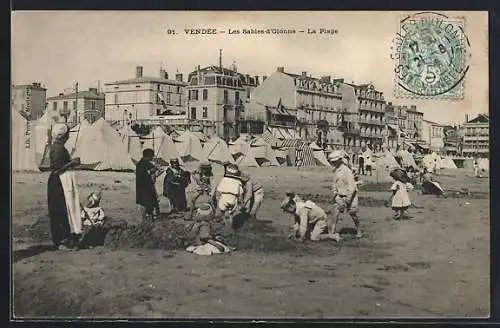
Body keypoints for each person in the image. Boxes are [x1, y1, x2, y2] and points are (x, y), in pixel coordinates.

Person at [47, 123, 82, 251]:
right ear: (62, 136)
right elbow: (56, 169)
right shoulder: (58, 148)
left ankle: (65, 240)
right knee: (61, 210)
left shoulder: (59, 147)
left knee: (63, 209)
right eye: (67, 134)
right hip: (58, 182)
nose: (68, 136)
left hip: (60, 181)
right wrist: (72, 162)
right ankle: (62, 242)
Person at [328, 150, 362, 241]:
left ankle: (358, 230)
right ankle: (332, 231)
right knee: (335, 213)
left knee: (352, 213)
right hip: (340, 195)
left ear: (339, 160)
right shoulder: (335, 171)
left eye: (335, 161)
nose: (333, 163)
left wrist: (348, 198)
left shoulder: (347, 170)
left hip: (350, 195)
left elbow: (352, 186)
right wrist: (335, 193)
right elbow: (334, 183)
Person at [214, 163, 244, 228]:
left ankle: (222, 224)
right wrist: (241, 203)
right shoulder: (238, 182)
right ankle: (230, 226)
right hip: (233, 199)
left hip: (224, 198)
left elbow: (218, 191)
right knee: (231, 214)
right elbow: (240, 194)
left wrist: (217, 199)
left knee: (220, 212)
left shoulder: (224, 180)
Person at [136, 149, 158, 222]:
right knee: (145, 203)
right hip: (143, 187)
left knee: (150, 202)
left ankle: (149, 217)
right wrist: (153, 170)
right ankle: (145, 219)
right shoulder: (141, 164)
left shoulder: (146, 163)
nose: (152, 158)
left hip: (148, 186)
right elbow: (143, 173)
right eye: (151, 156)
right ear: (148, 156)